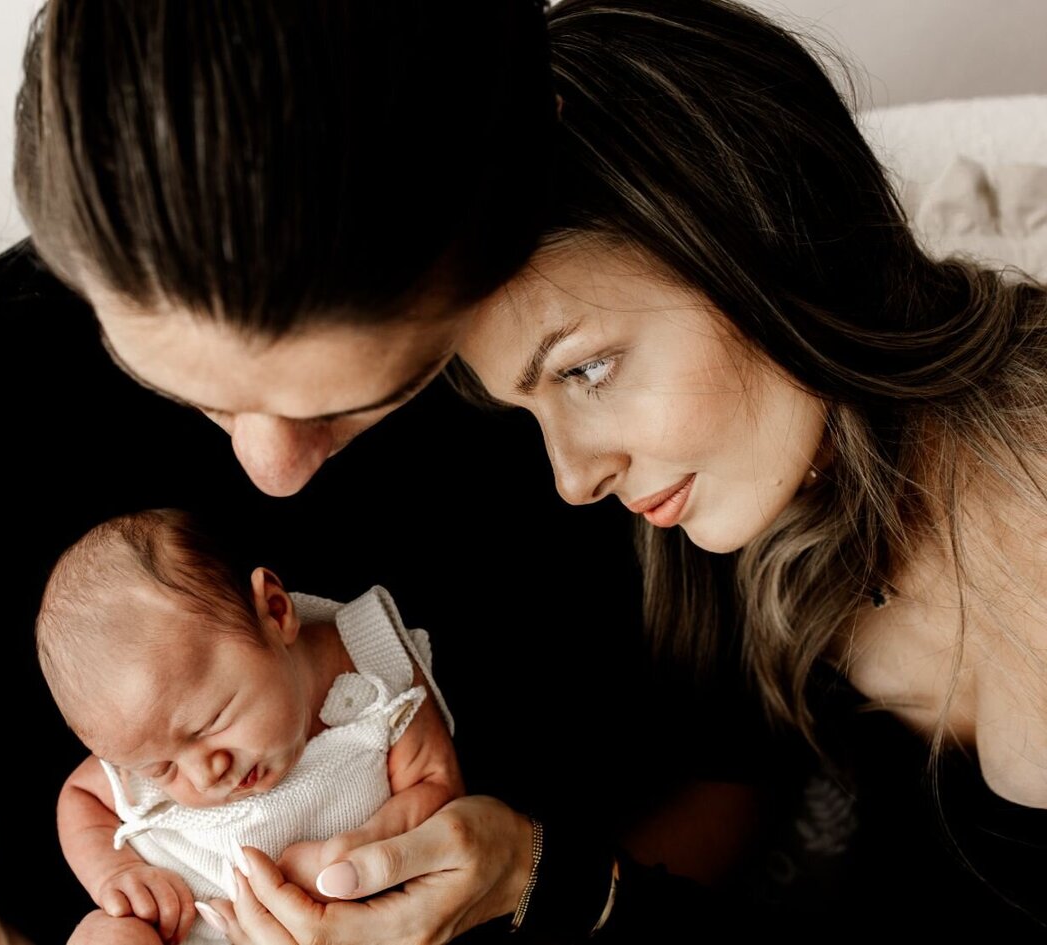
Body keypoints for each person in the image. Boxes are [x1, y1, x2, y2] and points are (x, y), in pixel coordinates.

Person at [0, 4, 731, 943]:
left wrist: (541, 883)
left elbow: (738, 764)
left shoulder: (624, 349)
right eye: (196, 393)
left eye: (359, 397)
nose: (271, 474)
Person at [447, 0, 1047, 937]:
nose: (572, 477)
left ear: (758, 230)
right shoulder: (768, 549)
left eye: (588, 369)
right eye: (531, 411)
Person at [36, 509, 460, 944]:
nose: (206, 775)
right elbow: (81, 794)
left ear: (275, 613)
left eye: (211, 723)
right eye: (163, 769)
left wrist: (366, 844)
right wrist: (118, 874)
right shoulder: (142, 739)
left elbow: (436, 782)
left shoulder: (373, 665)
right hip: (194, 927)